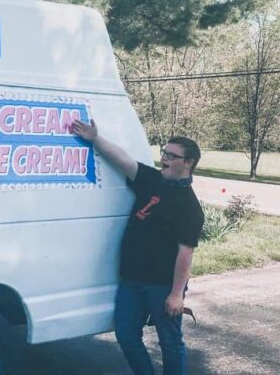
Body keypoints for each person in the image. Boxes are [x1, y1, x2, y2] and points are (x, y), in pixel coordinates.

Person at [72, 119, 204, 375]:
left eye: (171, 155)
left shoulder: (189, 208)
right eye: (164, 153)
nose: (163, 158)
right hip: (132, 280)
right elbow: (122, 160)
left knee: (170, 342)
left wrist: (176, 294)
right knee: (126, 335)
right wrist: (95, 139)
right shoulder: (152, 180)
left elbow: (185, 254)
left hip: (162, 285)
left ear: (188, 163)